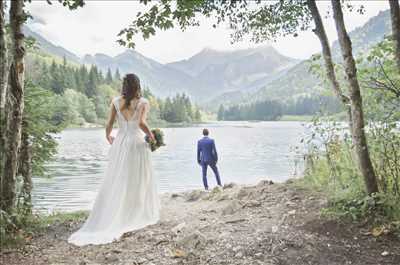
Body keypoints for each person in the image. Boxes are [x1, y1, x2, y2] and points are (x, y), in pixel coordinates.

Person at [68, 73, 160, 246]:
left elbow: (109, 123)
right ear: (138, 86)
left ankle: (114, 211)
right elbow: (140, 123)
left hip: (120, 143)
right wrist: (151, 136)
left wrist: (108, 137)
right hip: (136, 143)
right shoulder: (143, 103)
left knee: (118, 177)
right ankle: (135, 211)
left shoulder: (116, 102)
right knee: (138, 178)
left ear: (124, 86)